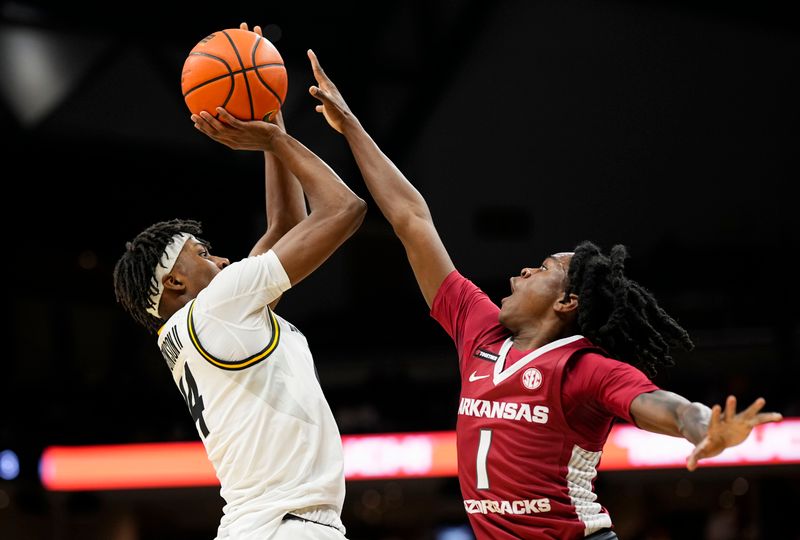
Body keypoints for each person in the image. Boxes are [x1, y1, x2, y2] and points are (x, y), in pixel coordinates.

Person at [303, 49, 783, 540]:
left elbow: (667, 406)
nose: (524, 270)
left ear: (567, 302)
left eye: (545, 269)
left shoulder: (585, 369)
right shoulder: (479, 327)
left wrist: (703, 427)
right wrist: (351, 126)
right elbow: (411, 219)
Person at [112, 25, 366, 540]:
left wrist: (270, 120)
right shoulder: (219, 308)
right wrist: (277, 138)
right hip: (286, 528)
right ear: (177, 283)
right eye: (203, 253)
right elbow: (344, 208)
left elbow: (287, 229)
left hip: (267, 526)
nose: (224, 257)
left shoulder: (202, 321)